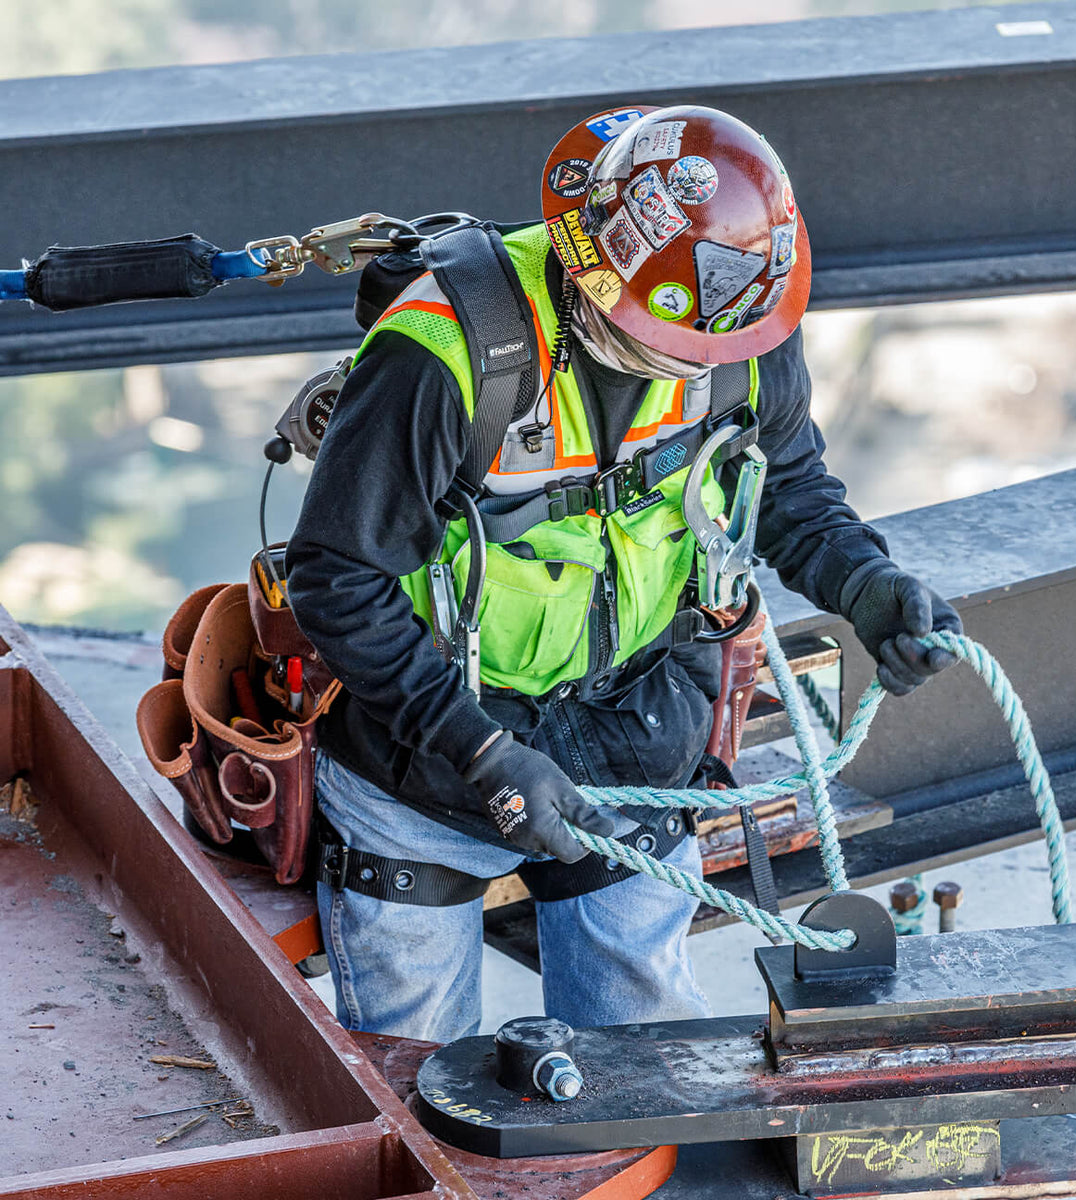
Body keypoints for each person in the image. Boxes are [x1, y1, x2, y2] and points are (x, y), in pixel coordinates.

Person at [286, 104, 961, 1043]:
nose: (698, 369)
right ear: (589, 277)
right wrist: (477, 751)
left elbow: (789, 486)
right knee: (416, 1078)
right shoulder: (446, 353)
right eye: (673, 349)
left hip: (635, 741)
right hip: (428, 759)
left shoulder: (740, 327)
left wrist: (866, 586)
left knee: (640, 1064)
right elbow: (337, 577)